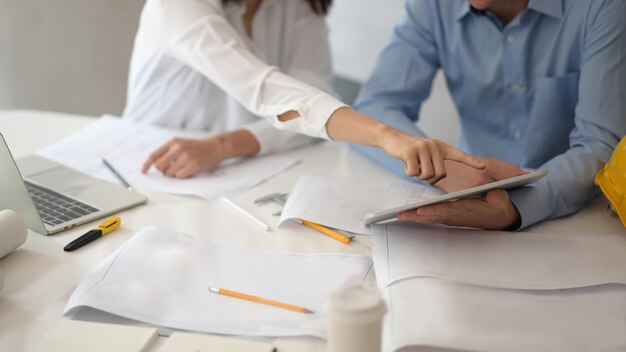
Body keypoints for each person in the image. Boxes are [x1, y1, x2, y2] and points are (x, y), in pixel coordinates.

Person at [122, 0, 484, 183]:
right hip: (150, 166)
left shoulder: (297, 7)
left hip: (241, 173)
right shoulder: (177, 5)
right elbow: (265, 90)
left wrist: (223, 146)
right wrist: (384, 135)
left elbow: (311, 101)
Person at [354, 0, 626, 230]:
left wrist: (516, 206)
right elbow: (374, 107)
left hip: (579, 218)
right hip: (462, 200)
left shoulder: (603, 7)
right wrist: (443, 168)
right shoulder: (434, 5)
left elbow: (600, 145)